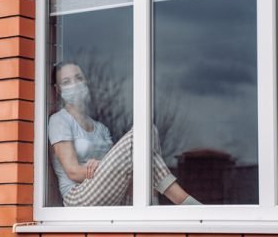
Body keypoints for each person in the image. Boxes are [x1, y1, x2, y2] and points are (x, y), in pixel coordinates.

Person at [48, 61, 202, 206]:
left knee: (148, 135)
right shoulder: (59, 120)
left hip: (109, 194)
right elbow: (73, 172)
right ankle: (185, 202)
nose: (75, 85)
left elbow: (123, 163)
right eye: (66, 82)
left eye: (78, 78)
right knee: (138, 136)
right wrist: (102, 169)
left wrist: (103, 167)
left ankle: (151, 205)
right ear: (58, 89)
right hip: (78, 198)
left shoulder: (100, 128)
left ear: (85, 81)